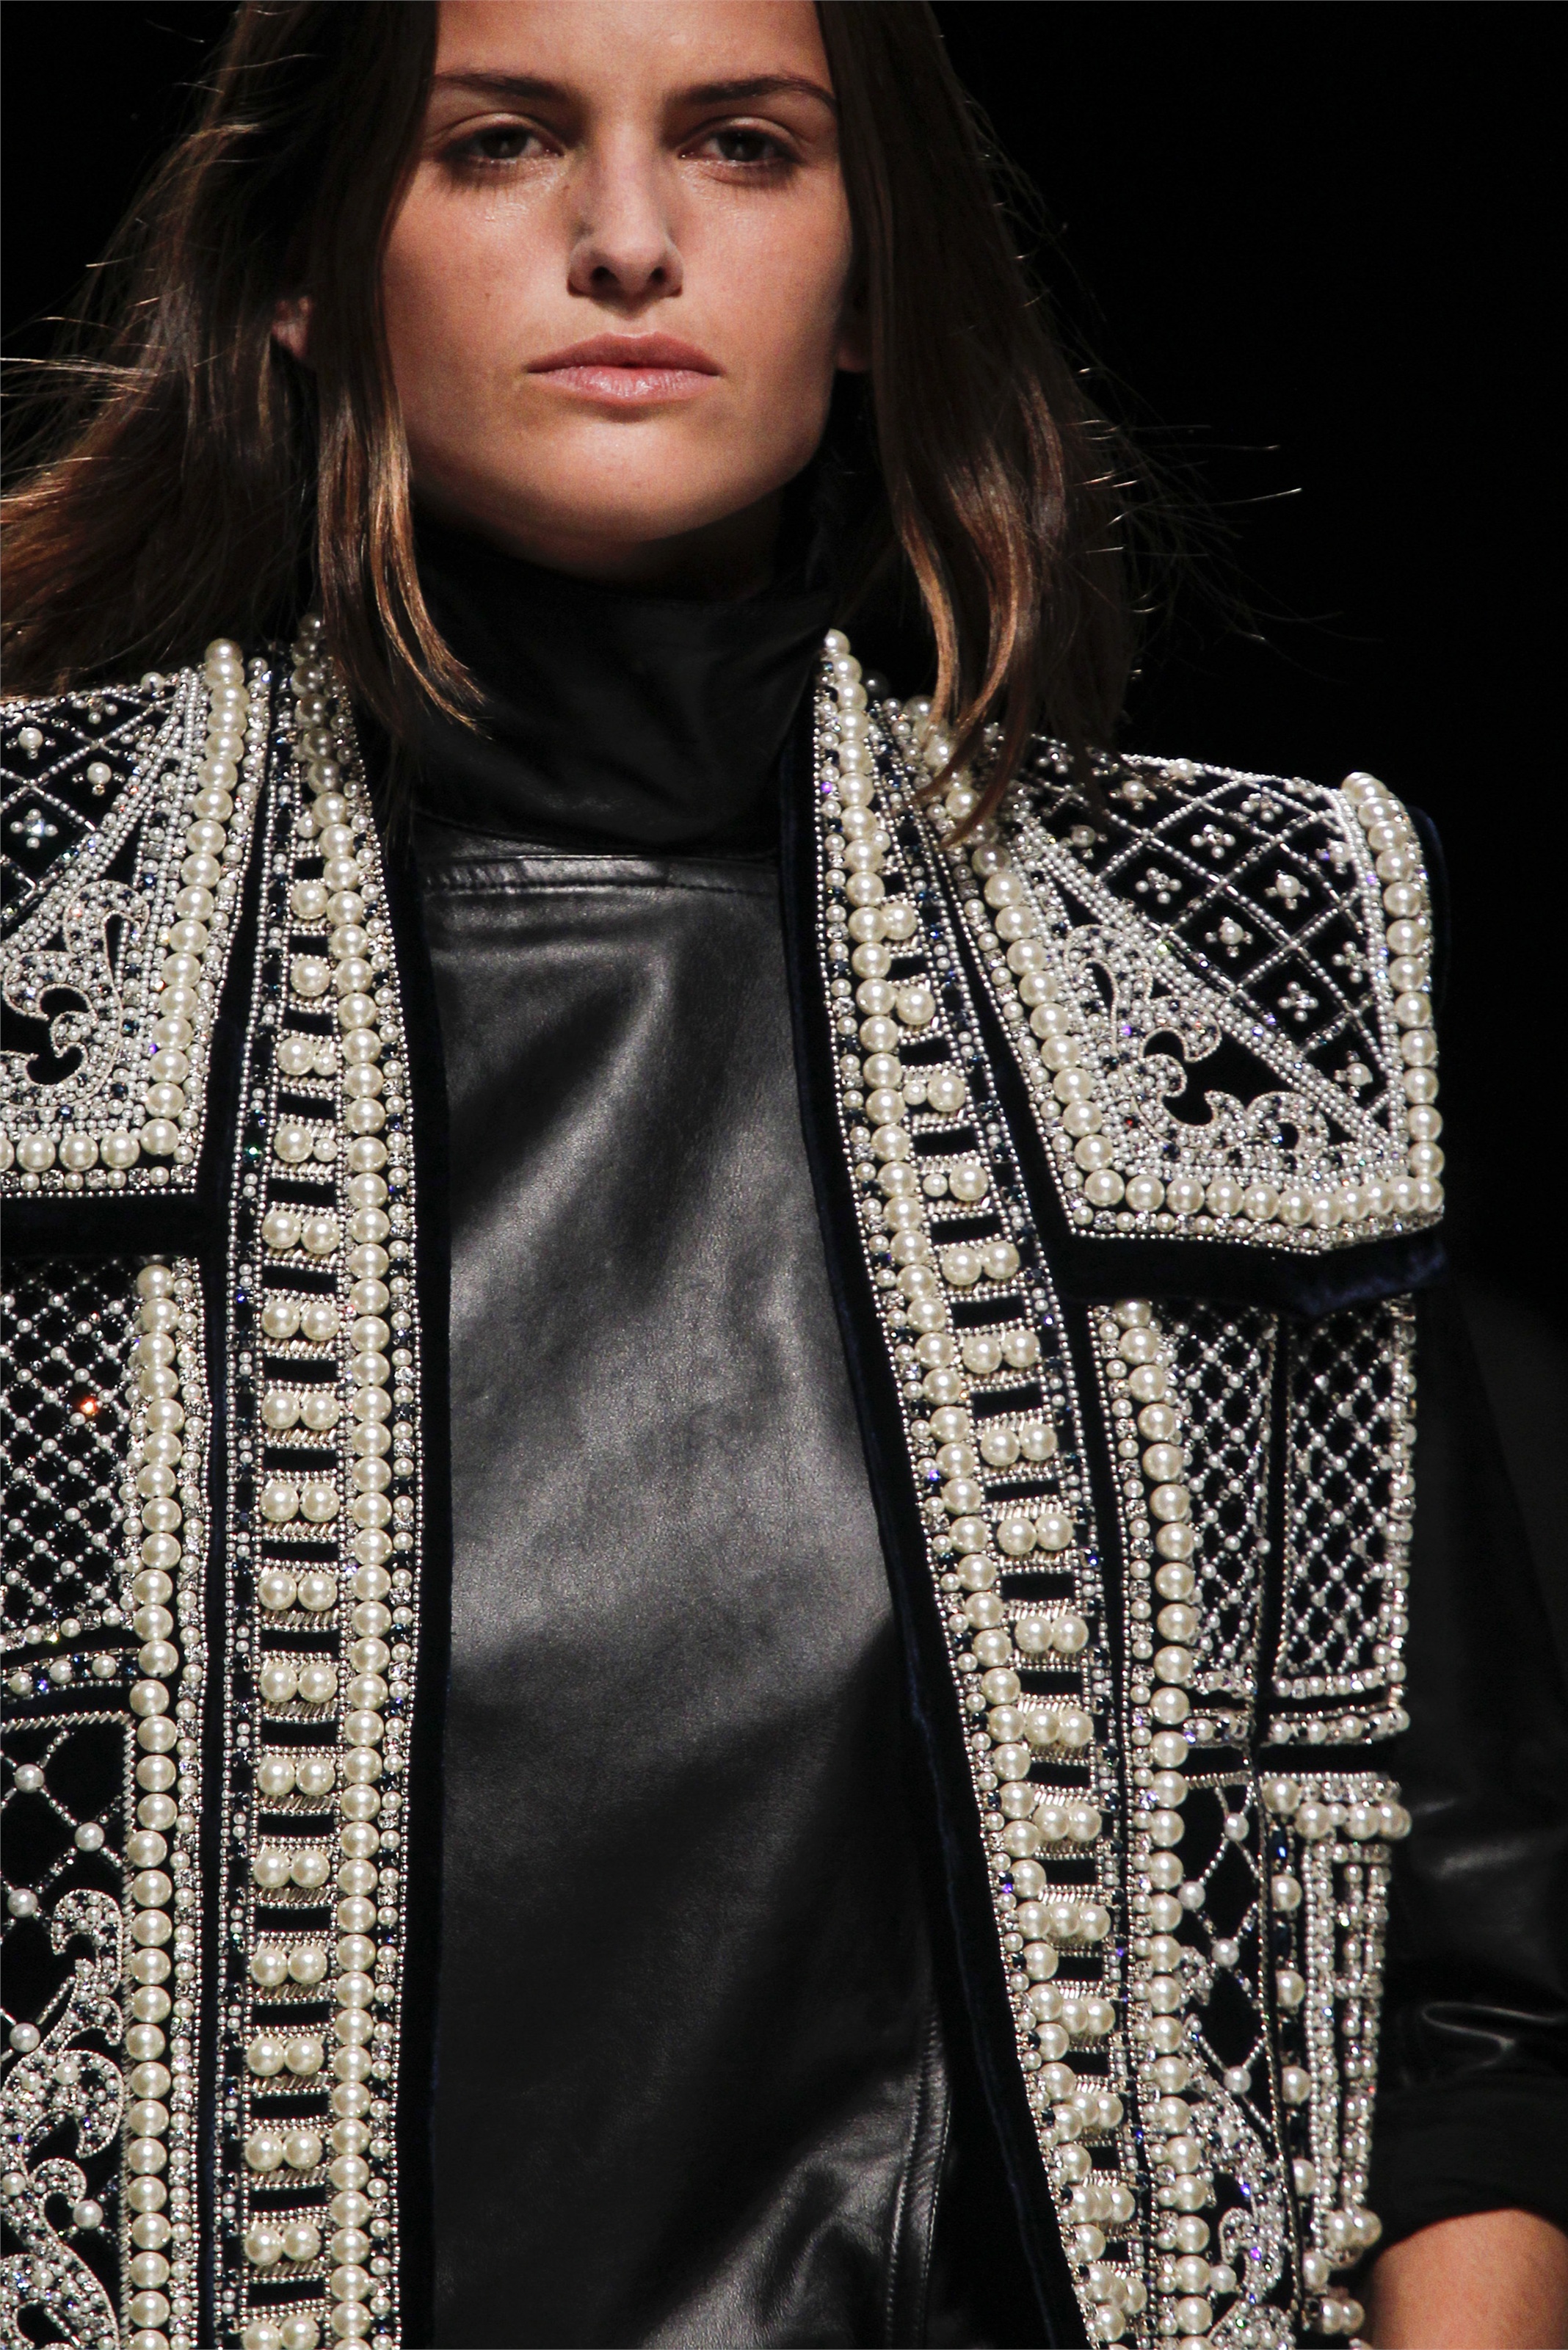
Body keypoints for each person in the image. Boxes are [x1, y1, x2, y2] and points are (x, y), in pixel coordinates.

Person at [2, 5, 1564, 2347]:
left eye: (744, 144)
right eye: (501, 141)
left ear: (868, 278)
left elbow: (1469, 2006)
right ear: (308, 265)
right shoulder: (41, 947)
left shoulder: (1209, 991)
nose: (628, 240)